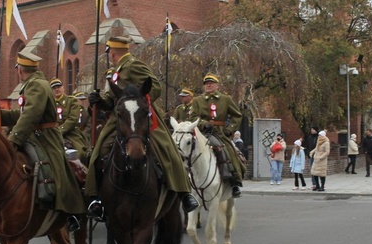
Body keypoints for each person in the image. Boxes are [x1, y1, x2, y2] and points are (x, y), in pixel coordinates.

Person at [86, 34, 199, 220]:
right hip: (119, 119)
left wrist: (137, 102)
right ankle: (95, 198)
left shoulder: (133, 65)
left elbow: (154, 86)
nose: (110, 56)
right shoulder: (116, 70)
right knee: (98, 153)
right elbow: (113, 99)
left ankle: (183, 193)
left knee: (166, 148)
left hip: (140, 116)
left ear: (113, 52)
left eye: (110, 52)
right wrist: (100, 101)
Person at [0, 52, 85, 232]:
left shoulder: (36, 85)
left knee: (53, 166)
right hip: (33, 135)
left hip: (45, 137)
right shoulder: (31, 84)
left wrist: (14, 139)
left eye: (17, 68)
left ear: (20, 69)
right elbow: (23, 114)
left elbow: (32, 114)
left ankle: (69, 208)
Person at [189, 73, 244, 197]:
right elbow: (193, 116)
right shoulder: (197, 100)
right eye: (206, 83)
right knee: (185, 148)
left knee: (228, 150)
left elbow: (237, 115)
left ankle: (234, 181)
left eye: (211, 83)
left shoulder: (226, 99)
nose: (208, 85)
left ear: (217, 85)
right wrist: (203, 124)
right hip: (202, 132)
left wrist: (230, 129)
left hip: (220, 132)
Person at [51, 78, 90, 162]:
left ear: (63, 88)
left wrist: (60, 130)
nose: (57, 89)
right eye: (54, 88)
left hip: (70, 134)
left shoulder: (72, 101)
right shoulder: (49, 104)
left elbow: (73, 119)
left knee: (80, 154)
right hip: (52, 133)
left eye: (58, 87)